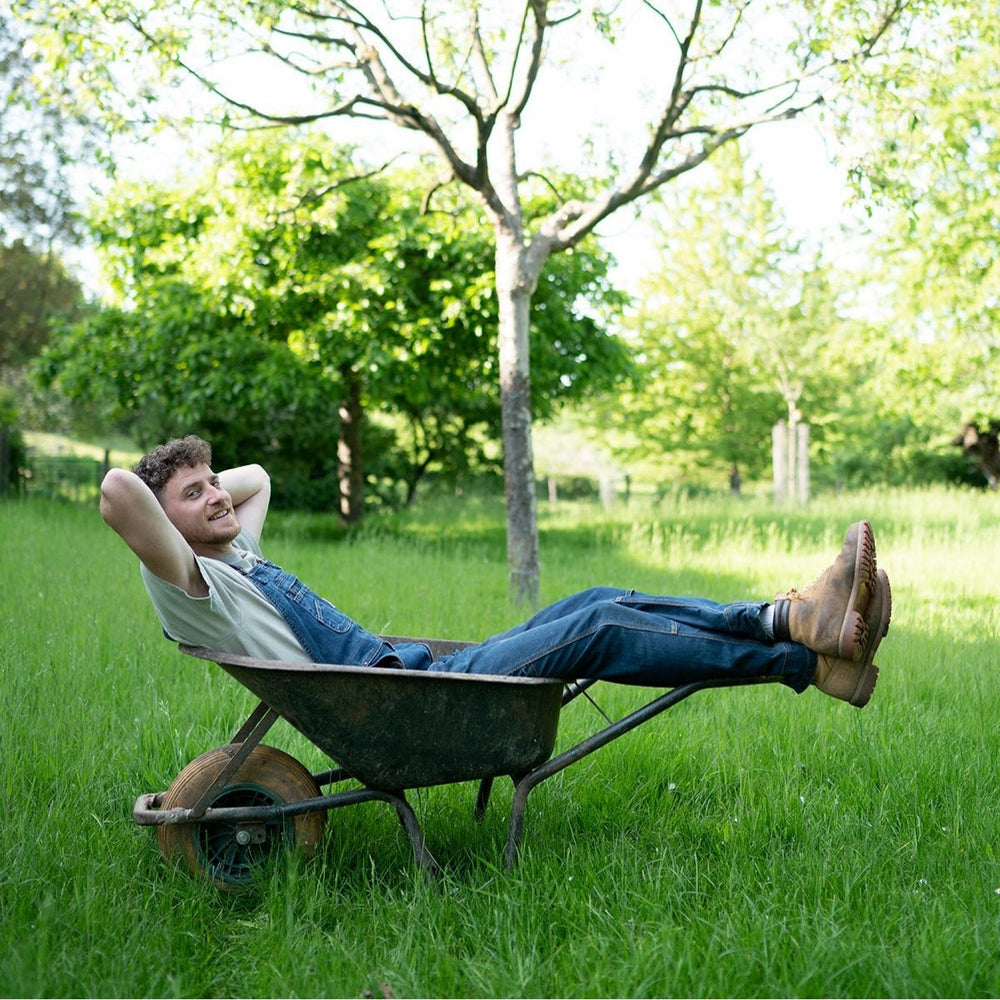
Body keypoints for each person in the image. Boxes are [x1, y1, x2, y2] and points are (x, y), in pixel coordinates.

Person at [101, 435, 892, 708]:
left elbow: (259, 479)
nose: (216, 496)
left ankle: (794, 626)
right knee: (600, 627)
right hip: (401, 696)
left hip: (408, 677)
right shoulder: (193, 586)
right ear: (158, 528)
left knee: (594, 597)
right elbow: (117, 493)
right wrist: (170, 497)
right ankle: (803, 647)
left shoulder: (238, 556)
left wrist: (197, 481)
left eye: (212, 485)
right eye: (192, 494)